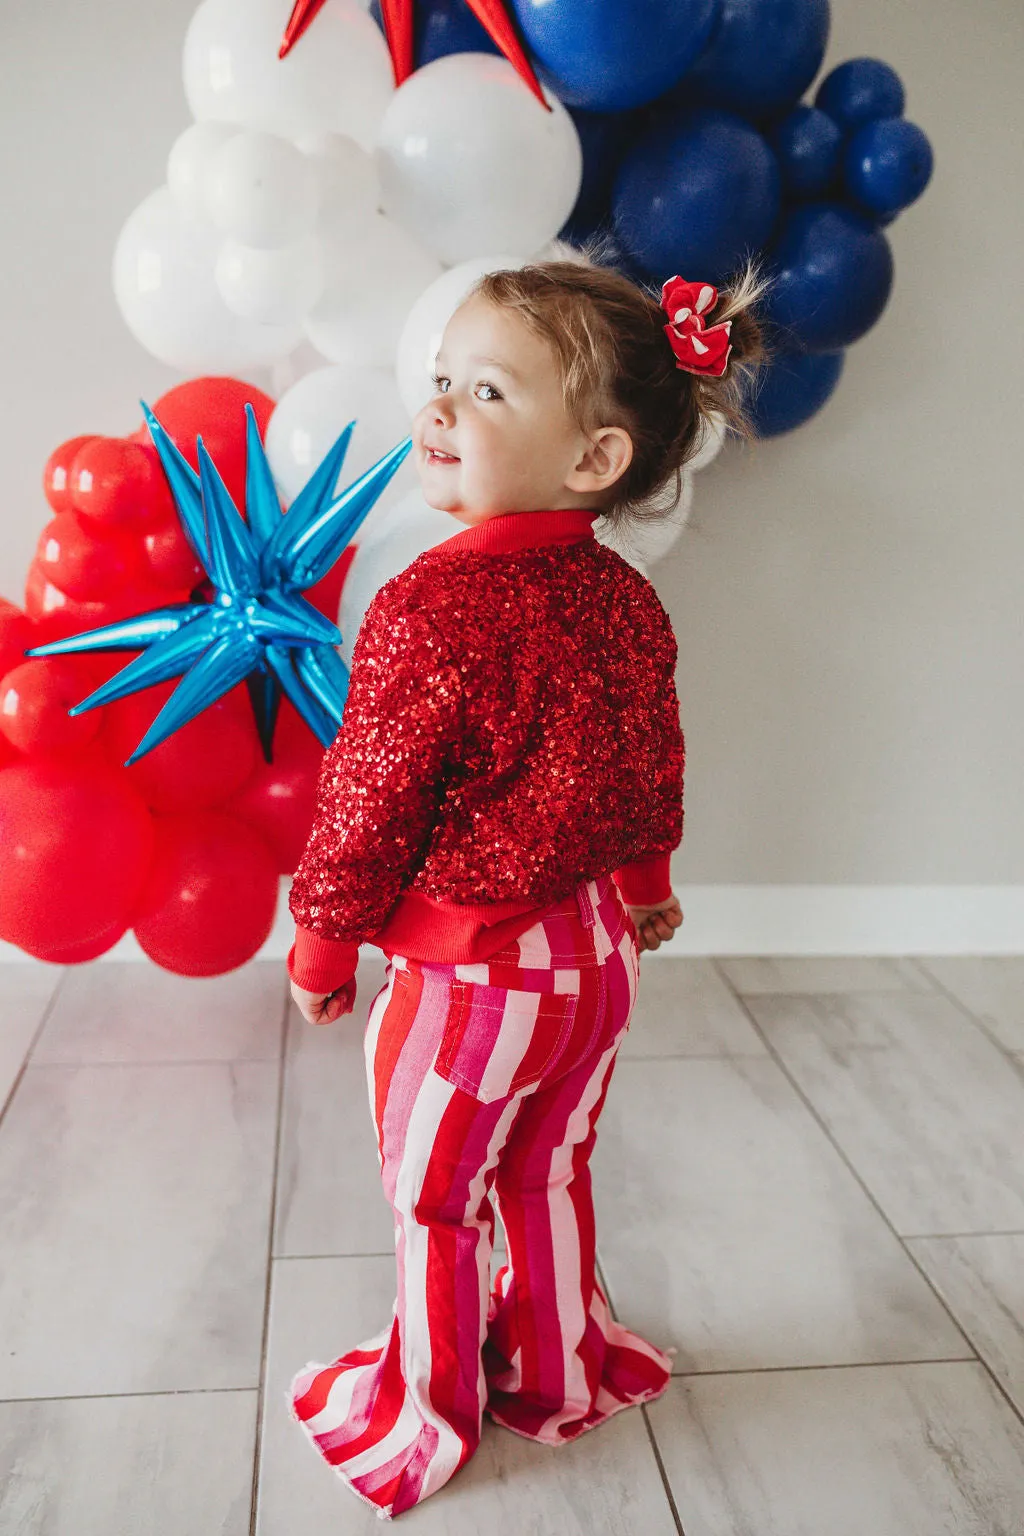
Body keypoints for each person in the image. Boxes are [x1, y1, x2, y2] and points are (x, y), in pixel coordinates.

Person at [283, 253, 768, 1520]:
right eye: (441, 381)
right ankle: (556, 1372)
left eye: (486, 393)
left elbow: (369, 801)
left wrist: (326, 946)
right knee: (549, 1171)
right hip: (594, 967)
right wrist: (648, 884)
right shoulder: (623, 600)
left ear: (594, 460)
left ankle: (429, 1407)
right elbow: (649, 758)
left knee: (433, 1198)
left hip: (473, 983)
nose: (439, 407)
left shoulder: (429, 608)